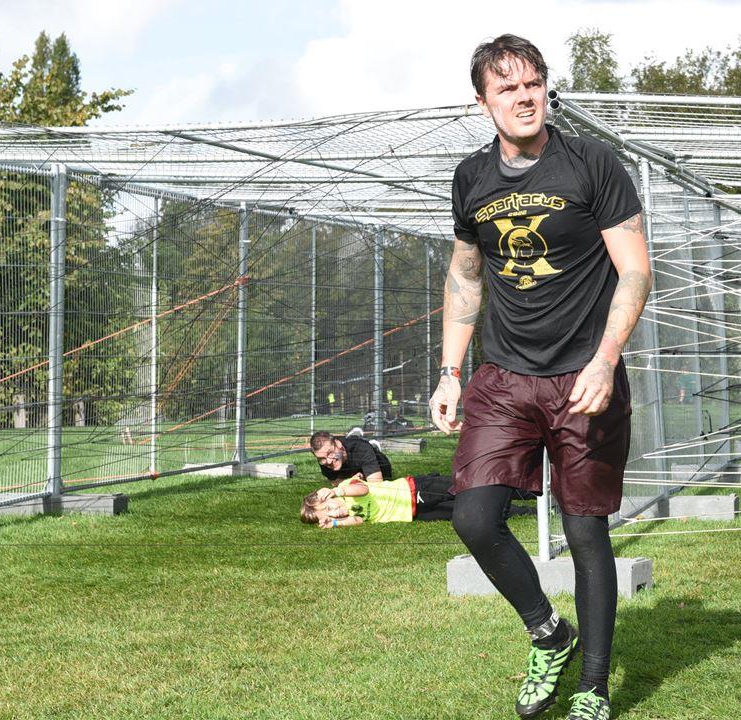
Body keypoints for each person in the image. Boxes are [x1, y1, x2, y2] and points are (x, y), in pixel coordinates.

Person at [431, 34, 652, 720]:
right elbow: (466, 277)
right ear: (483, 102)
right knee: (473, 516)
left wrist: (607, 358)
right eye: (508, 88)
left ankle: (593, 686)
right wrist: (449, 371)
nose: (524, 97)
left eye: (533, 83)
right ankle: (549, 633)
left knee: (585, 532)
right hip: (504, 376)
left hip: (585, 375)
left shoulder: (592, 164)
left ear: (546, 89)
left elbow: (635, 269)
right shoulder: (471, 178)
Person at [301, 473, 458, 526]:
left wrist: (337, 490)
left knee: (458, 487)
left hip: (413, 490)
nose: (334, 513)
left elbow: (363, 489)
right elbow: (358, 521)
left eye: (329, 509)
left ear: (329, 496)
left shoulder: (345, 488)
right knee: (455, 511)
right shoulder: (348, 515)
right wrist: (335, 523)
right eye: (330, 516)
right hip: (415, 513)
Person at [309, 429, 393, 485]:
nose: (329, 461)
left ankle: (373, 447)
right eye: (322, 458)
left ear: (338, 444)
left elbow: (377, 486)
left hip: (381, 467)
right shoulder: (324, 460)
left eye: (330, 453)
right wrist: (352, 481)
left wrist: (354, 482)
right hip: (351, 470)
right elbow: (335, 483)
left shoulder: (361, 449)